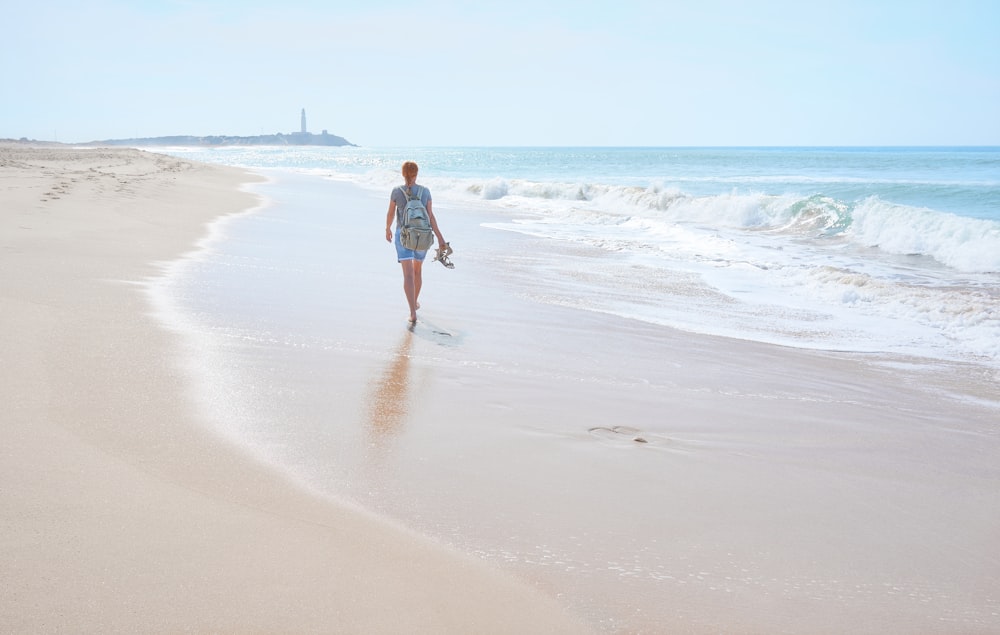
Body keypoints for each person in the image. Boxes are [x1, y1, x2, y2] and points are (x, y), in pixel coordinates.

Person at [385, 161, 446, 324]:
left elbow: (391, 213)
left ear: (403, 174)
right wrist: (440, 237)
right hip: (422, 236)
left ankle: (412, 311)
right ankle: (415, 302)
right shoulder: (425, 192)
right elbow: (431, 217)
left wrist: (387, 228)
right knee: (417, 272)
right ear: (416, 174)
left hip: (403, 236)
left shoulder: (397, 191)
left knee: (408, 275)